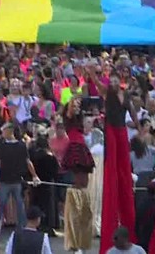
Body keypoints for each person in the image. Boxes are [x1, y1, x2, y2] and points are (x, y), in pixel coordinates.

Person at [93, 69, 137, 254]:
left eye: (114, 80)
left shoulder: (125, 95)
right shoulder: (107, 93)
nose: (111, 82)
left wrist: (140, 127)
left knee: (124, 164)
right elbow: (98, 84)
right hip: (111, 130)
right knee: (113, 164)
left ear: (120, 81)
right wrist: (92, 73)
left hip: (121, 131)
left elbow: (133, 112)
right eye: (109, 80)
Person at [60, 97, 96, 252]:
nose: (77, 107)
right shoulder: (68, 118)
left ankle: (82, 235)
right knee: (79, 182)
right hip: (75, 146)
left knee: (85, 182)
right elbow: (70, 109)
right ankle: (76, 237)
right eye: (74, 105)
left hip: (81, 145)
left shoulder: (79, 118)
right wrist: (74, 100)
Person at [0, 123, 39, 231]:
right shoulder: (3, 146)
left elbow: (27, 161)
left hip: (15, 180)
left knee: (19, 206)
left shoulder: (19, 146)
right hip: (5, 180)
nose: (2, 133)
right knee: (2, 205)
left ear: (10, 131)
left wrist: (34, 175)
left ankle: (23, 228)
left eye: (4, 130)